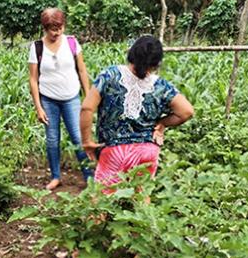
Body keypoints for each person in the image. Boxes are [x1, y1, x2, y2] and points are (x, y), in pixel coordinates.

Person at [80, 34, 194, 188]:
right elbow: (187, 111)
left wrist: (87, 141)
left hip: (114, 151)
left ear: (132, 53)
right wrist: (162, 123)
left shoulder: (110, 75)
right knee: (141, 200)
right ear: (155, 63)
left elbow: (87, 108)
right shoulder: (161, 86)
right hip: (147, 151)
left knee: (102, 200)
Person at [28, 8, 94, 191]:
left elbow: (82, 70)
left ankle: (89, 177)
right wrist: (38, 107)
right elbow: (33, 79)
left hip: (71, 97)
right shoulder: (37, 47)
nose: (56, 33)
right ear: (45, 28)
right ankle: (56, 176)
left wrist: (87, 95)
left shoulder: (72, 43)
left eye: (59, 28)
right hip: (48, 100)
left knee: (78, 137)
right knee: (52, 139)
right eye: (52, 29)